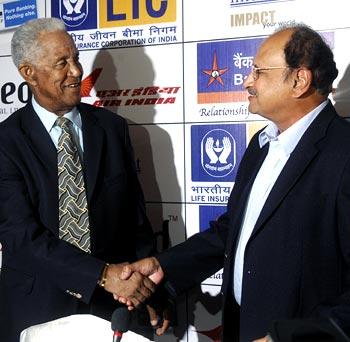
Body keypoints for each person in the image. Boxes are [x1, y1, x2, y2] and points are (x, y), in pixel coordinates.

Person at [119, 24, 350, 342]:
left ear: (299, 80)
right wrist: (164, 266)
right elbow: (233, 233)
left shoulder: (344, 153)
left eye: (259, 71)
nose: (247, 81)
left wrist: (288, 337)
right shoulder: (260, 145)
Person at [0, 17, 163, 342]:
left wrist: (150, 292)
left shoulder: (113, 129)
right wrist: (101, 275)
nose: (76, 71)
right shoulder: (6, 142)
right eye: (62, 62)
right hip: (36, 306)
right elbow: (21, 236)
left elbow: (136, 224)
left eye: (75, 57)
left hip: (115, 305)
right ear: (28, 72)